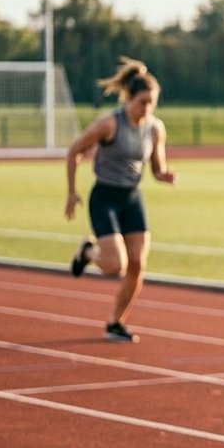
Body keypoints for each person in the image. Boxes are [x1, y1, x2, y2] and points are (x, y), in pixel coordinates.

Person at [64, 57, 176, 342]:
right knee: (115, 266)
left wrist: (164, 176)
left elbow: (156, 166)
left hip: (132, 198)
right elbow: (75, 150)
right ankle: (88, 251)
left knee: (138, 265)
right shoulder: (110, 123)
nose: (147, 108)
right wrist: (72, 191)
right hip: (105, 197)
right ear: (130, 98)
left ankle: (116, 322)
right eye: (142, 102)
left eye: (152, 102)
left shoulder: (155, 128)